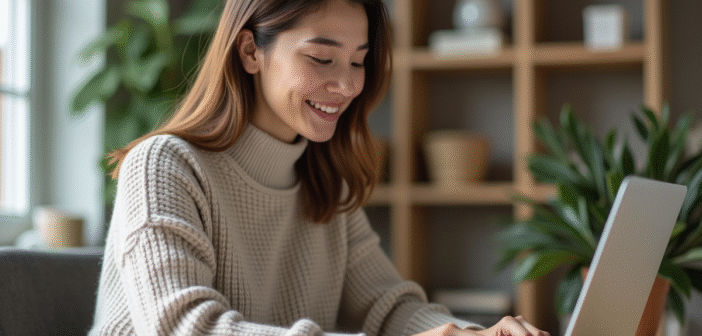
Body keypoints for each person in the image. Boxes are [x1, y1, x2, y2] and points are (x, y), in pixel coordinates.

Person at [89, 0, 549, 335]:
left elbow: (389, 308)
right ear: (250, 52)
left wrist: (469, 334)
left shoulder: (324, 181)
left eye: (358, 61)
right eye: (321, 58)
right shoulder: (164, 167)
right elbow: (187, 329)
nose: (347, 84)